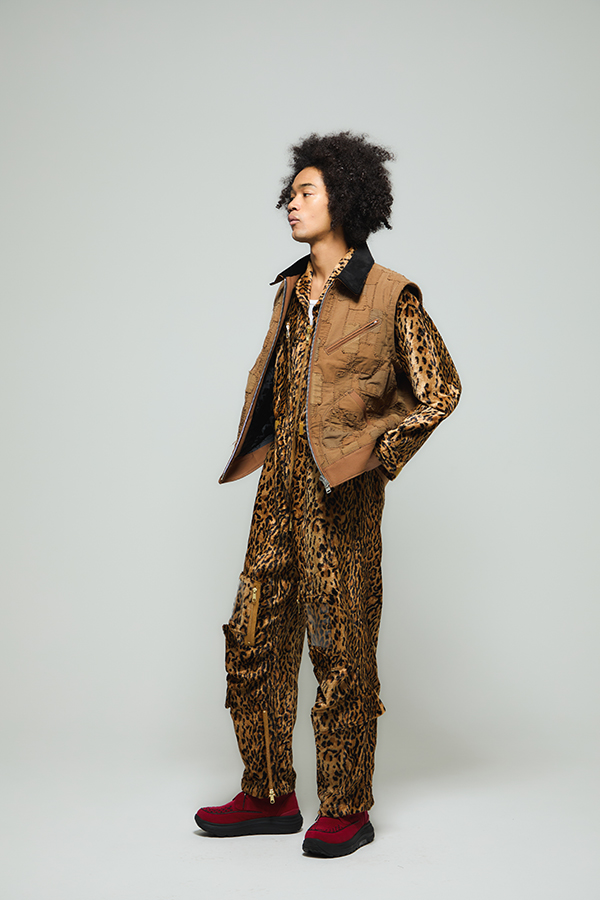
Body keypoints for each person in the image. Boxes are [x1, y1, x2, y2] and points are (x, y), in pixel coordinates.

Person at [194, 132, 461, 857]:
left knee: (341, 650)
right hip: (278, 492)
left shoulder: (388, 294)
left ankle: (346, 806)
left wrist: (378, 458)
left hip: (341, 500)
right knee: (253, 637)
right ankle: (267, 792)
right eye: (290, 193)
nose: (291, 203)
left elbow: (441, 389)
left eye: (305, 192)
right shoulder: (290, 291)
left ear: (342, 199)